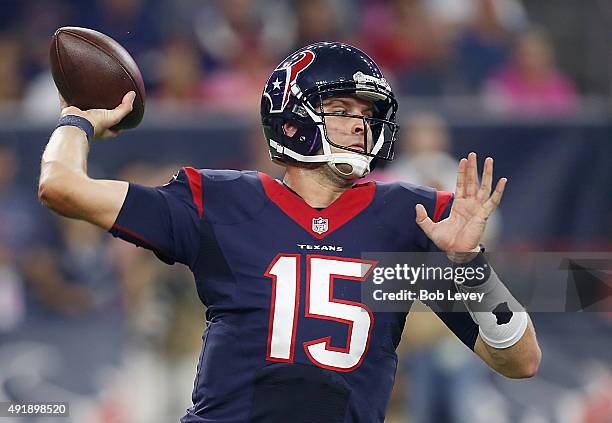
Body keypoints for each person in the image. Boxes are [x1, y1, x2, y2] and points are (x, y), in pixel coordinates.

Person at [38, 42, 541, 422]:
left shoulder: (409, 219)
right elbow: (62, 187)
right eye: (343, 110)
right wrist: (77, 120)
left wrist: (472, 269)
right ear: (293, 117)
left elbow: (520, 362)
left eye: (368, 114)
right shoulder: (220, 200)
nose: (360, 126)